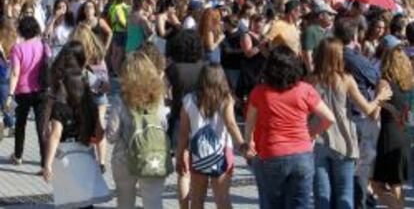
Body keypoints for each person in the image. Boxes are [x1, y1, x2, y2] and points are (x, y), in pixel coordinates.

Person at [244, 45, 336, 209]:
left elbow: (250, 121)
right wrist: (311, 133)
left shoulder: (259, 92)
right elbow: (329, 118)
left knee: (272, 204)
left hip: (272, 153)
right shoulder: (305, 90)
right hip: (302, 153)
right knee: (300, 204)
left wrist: (249, 142)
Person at [310, 38, 392, 209]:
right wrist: (379, 97)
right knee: (344, 193)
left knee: (322, 194)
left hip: (317, 139)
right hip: (344, 140)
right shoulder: (346, 80)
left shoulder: (311, 79)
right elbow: (368, 109)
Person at [42, 47, 110, 208]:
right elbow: (100, 137)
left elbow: (55, 136)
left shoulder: (60, 106)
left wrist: (47, 164)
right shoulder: (89, 104)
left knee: (69, 203)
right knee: (86, 203)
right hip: (86, 154)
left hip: (64, 156)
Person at [106, 51, 172, 209]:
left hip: (124, 157)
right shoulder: (158, 98)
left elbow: (111, 136)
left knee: (125, 202)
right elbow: (164, 125)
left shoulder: (120, 100)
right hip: (153, 154)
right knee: (153, 201)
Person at [176, 64, 246, 209]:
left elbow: (183, 134)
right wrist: (242, 145)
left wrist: (179, 157)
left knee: (197, 198)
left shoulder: (189, 100)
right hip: (222, 154)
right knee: (222, 198)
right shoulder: (225, 99)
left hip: (198, 155)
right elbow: (231, 125)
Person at [4, 16, 49, 173]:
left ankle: (18, 155)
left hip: (23, 92)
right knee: (41, 127)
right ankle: (44, 163)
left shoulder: (17, 49)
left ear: (21, 30)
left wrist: (10, 95)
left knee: (20, 124)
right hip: (41, 90)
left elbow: (15, 72)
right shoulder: (43, 45)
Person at [372, 41, 413, 209]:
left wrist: (384, 106)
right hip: (404, 135)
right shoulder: (409, 84)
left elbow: (374, 111)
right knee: (397, 184)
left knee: (376, 184)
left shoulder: (384, 83)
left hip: (389, 135)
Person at [71, 23, 109, 173]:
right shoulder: (98, 53)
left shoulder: (75, 54)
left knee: (86, 126)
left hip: (84, 96)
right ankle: (102, 161)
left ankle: (91, 158)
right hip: (100, 95)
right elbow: (106, 79)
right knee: (100, 125)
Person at [0, 18, 17, 136]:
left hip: (3, 71)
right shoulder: (15, 39)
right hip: (10, 74)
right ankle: (10, 124)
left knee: (4, 99)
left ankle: (8, 123)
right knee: (8, 99)